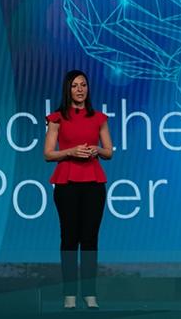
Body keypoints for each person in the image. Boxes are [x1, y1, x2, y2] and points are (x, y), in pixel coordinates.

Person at [43, 70, 113, 309]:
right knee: (69, 238)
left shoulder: (99, 118)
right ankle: (69, 295)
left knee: (90, 239)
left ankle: (90, 294)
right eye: (75, 86)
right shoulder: (57, 119)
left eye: (83, 85)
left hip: (94, 183)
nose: (80, 89)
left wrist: (96, 149)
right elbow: (48, 154)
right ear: (68, 89)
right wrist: (71, 152)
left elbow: (109, 152)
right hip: (67, 184)